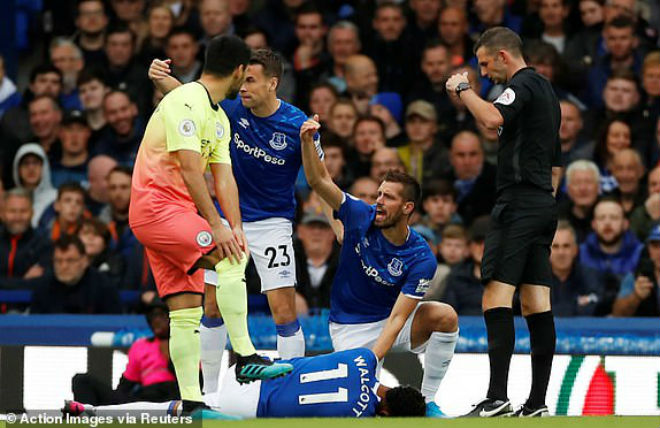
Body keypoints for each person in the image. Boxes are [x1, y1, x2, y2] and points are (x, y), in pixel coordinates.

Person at [130, 35, 292, 415]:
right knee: (230, 260)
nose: (245, 83)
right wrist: (217, 226)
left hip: (174, 214)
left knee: (185, 312)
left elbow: (224, 179)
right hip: (158, 209)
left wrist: (234, 227)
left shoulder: (218, 116)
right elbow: (190, 167)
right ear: (238, 71)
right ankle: (247, 355)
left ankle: (191, 401)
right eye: (246, 76)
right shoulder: (184, 101)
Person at [150, 48, 324, 381]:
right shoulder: (230, 109)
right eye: (242, 80)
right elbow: (184, 96)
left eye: (251, 81)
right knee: (212, 308)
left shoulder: (296, 124)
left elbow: (320, 178)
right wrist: (160, 77)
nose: (243, 88)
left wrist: (308, 146)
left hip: (273, 225)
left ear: (273, 84)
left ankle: (289, 390)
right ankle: (211, 390)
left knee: (283, 310)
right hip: (227, 221)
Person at [300, 114, 459, 417]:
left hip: (390, 323)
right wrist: (308, 142)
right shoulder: (361, 215)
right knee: (364, 406)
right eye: (378, 195)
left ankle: (428, 403)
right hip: (349, 327)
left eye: (388, 197)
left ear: (407, 207)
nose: (379, 202)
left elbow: (399, 318)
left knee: (445, 316)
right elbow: (319, 181)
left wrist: (371, 360)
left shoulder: (421, 257)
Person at [446, 27, 562, 417]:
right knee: (535, 301)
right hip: (543, 203)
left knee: (495, 293)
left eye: (484, 63)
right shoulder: (547, 93)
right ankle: (537, 404)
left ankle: (496, 398)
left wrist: (463, 89)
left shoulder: (522, 84)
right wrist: (544, 205)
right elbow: (554, 162)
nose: (484, 72)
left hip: (518, 201)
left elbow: (492, 115)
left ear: (502, 56)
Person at [63, 348, 426, 419]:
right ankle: (94, 412)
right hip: (248, 409)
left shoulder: (362, 358)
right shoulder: (360, 415)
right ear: (387, 411)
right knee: (180, 411)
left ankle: (93, 409)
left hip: (246, 369)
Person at [72, 301, 178, 405]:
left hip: (174, 394)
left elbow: (190, 381)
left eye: (161, 315)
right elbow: (125, 386)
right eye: (152, 316)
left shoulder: (185, 342)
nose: (156, 320)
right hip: (145, 397)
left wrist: (170, 356)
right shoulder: (141, 345)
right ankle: (88, 419)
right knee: (81, 380)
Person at [26, 235, 121, 314]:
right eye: (58, 261)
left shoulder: (104, 287)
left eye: (70, 260)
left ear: (84, 261)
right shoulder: (43, 287)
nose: (64, 266)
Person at [549, 221, 614, 316]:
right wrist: (576, 306)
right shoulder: (534, 280)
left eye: (566, 246)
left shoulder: (591, 277)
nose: (561, 253)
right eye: (555, 247)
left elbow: (597, 308)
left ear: (575, 250)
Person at [579, 197, 643, 279]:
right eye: (601, 218)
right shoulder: (580, 254)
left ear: (625, 224)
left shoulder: (640, 253)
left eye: (614, 217)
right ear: (593, 224)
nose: (607, 223)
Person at [0, 188, 51, 279]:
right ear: (2, 214)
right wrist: (23, 280)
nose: (18, 217)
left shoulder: (44, 244)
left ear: (32, 213)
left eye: (23, 211)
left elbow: (41, 284)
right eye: (12, 211)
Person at [611, 224, 660, 317]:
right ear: (649, 249)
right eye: (655, 246)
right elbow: (617, 315)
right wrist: (636, 297)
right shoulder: (637, 276)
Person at [11, 143, 58, 228]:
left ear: (44, 167)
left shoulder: (55, 198)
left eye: (35, 163)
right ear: (18, 169)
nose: (31, 168)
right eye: (26, 163)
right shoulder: (10, 200)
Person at [558, 160, 601, 243]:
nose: (583, 188)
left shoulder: (609, 213)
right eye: (577, 183)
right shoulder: (556, 217)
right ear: (568, 189)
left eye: (588, 182)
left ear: (598, 187)